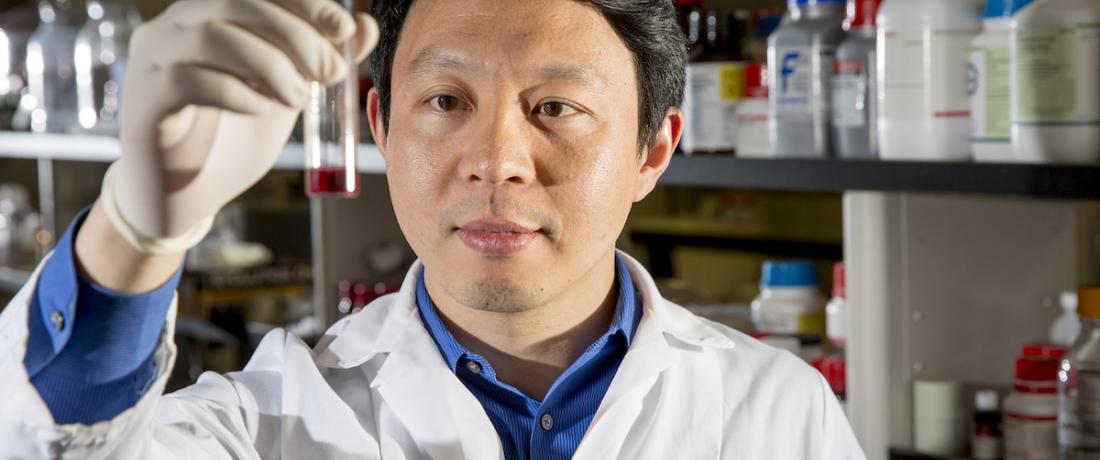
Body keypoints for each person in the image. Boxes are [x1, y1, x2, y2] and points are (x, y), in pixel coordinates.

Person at [0, 0, 865, 458]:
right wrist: (138, 227)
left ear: (655, 149)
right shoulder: (270, 420)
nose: (496, 160)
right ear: (378, 126)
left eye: (555, 107)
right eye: (446, 102)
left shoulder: (774, 411)